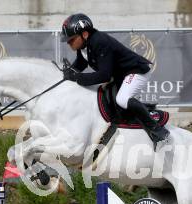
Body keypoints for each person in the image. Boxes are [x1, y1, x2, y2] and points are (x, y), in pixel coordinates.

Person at [60, 13, 170, 147]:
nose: (68, 42)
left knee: (122, 99)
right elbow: (81, 64)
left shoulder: (99, 42)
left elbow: (104, 76)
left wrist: (77, 78)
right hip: (121, 75)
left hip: (136, 71)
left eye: (71, 39)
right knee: (112, 103)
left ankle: (158, 131)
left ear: (85, 34)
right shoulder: (84, 45)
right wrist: (67, 74)